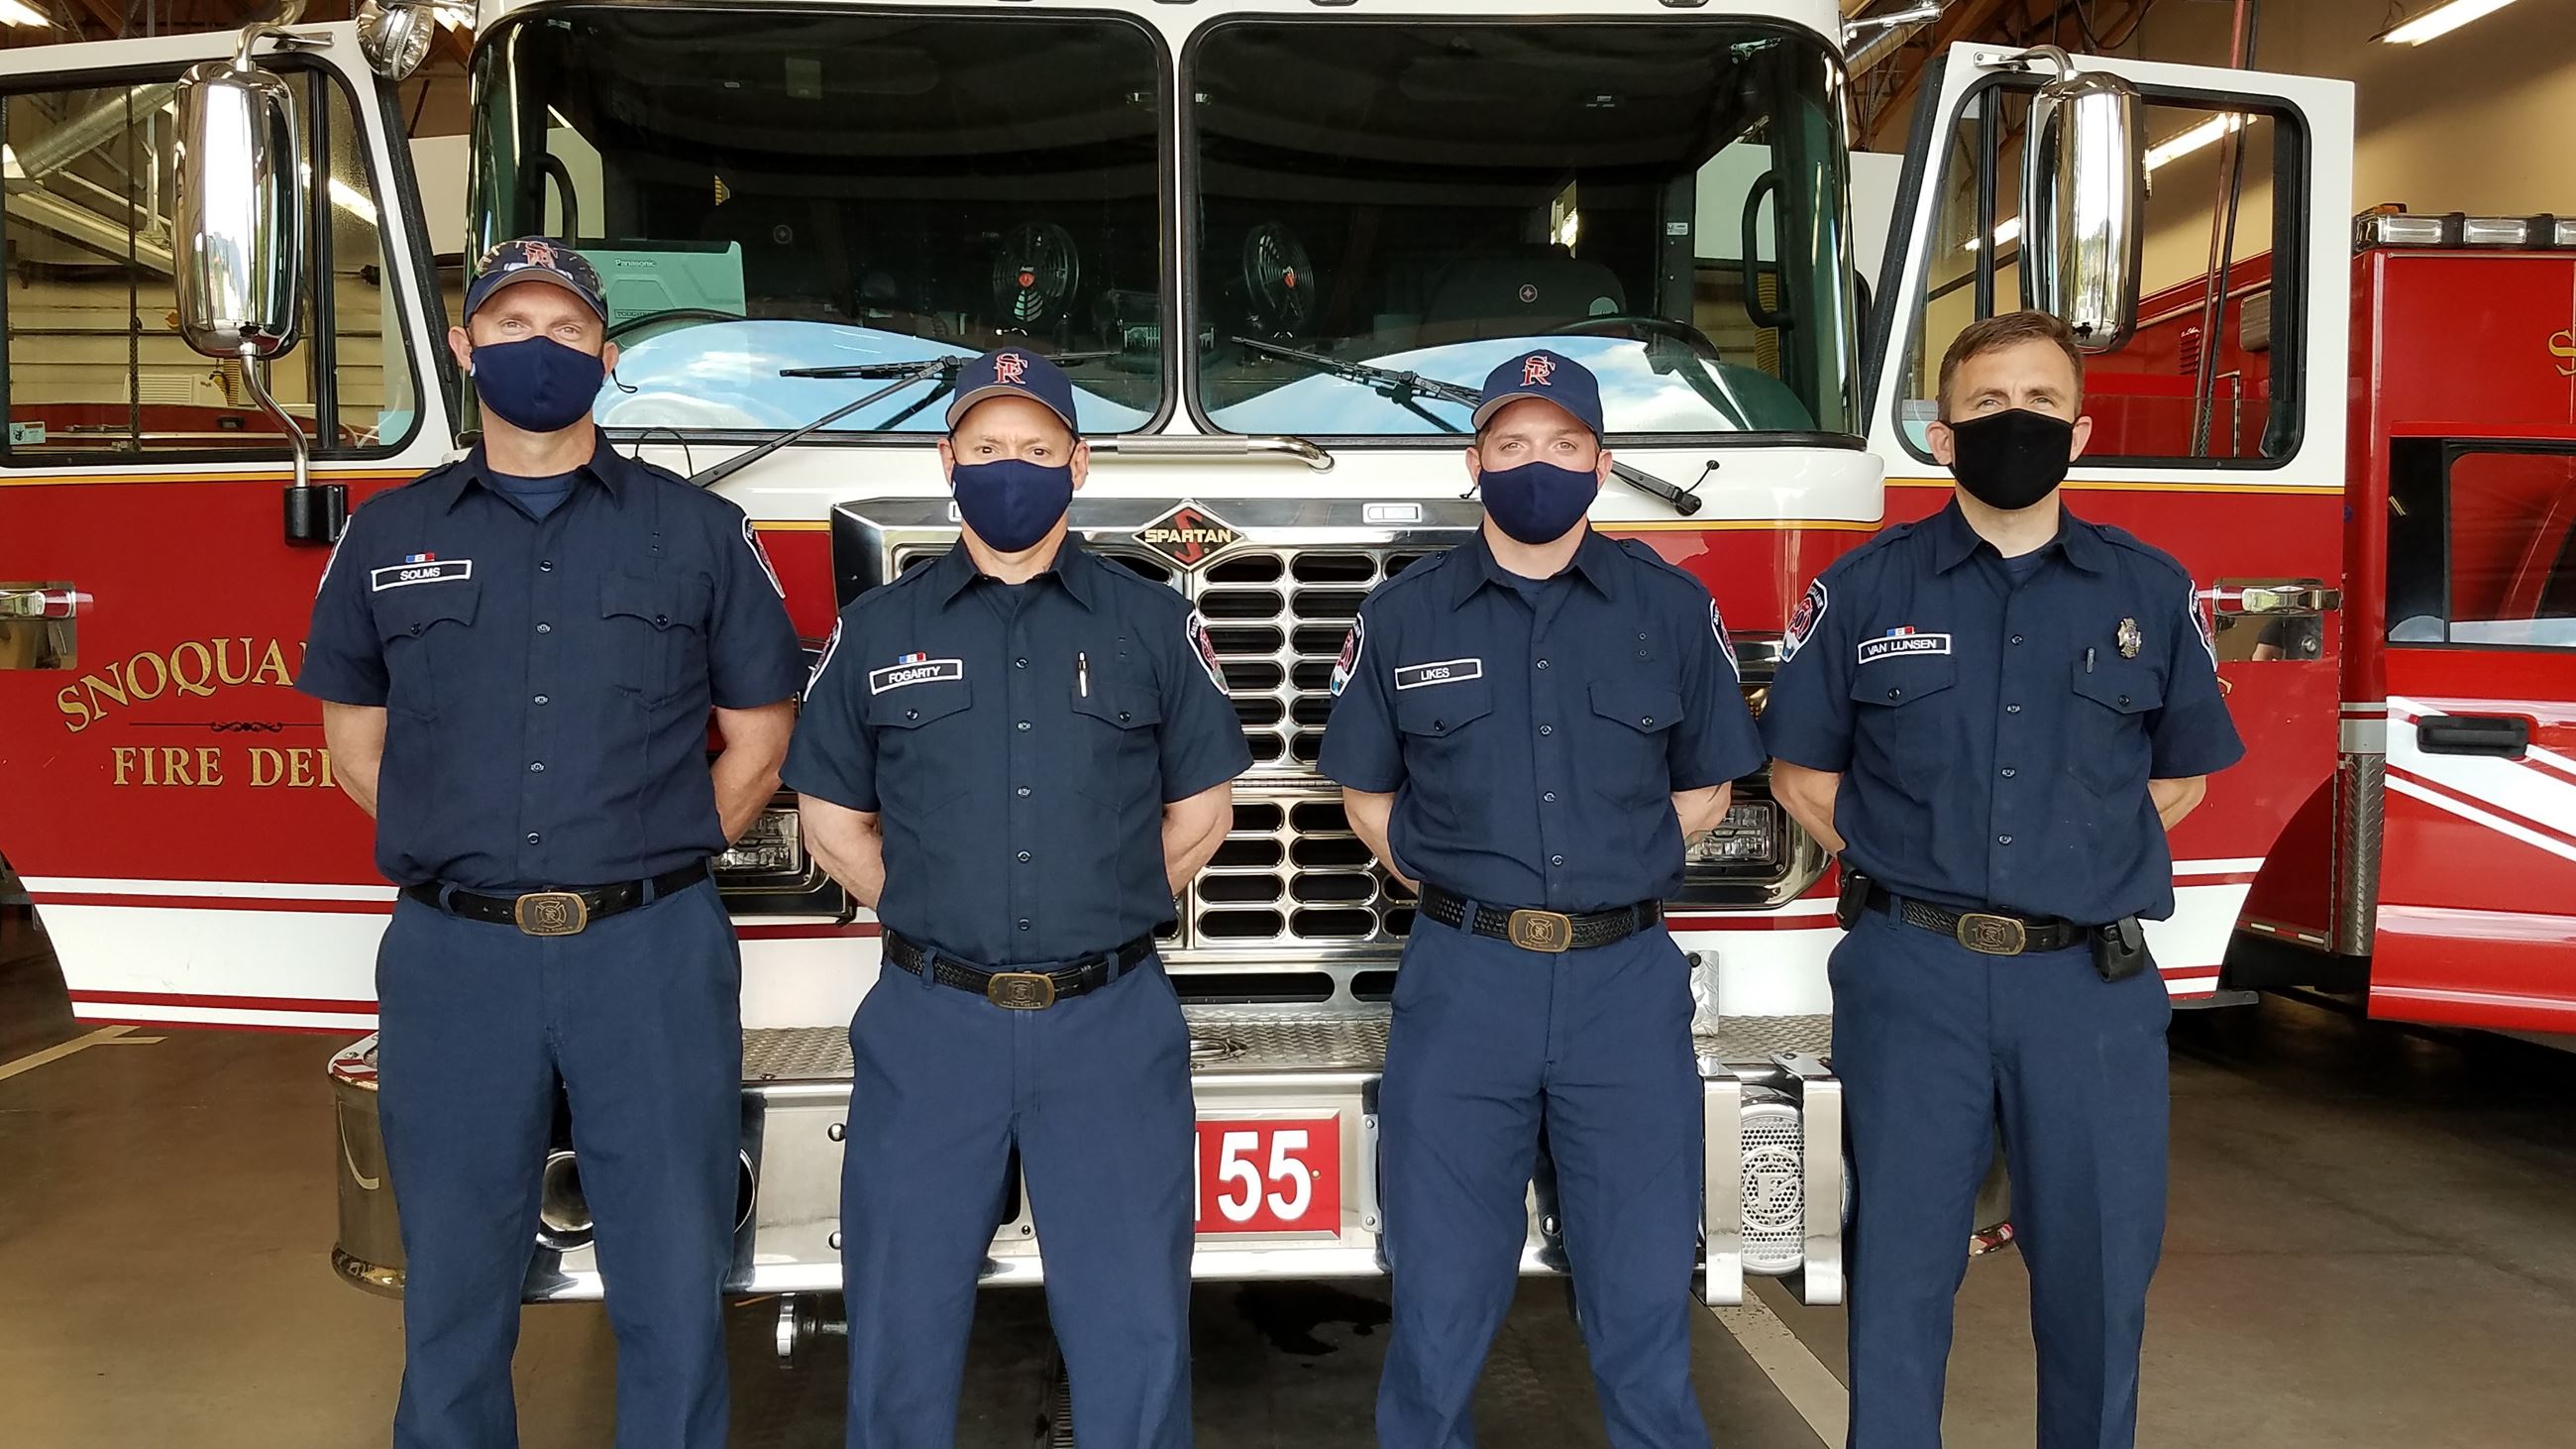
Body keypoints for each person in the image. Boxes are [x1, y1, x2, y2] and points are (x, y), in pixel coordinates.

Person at [298, 238, 806, 1449]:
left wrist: (645, 862)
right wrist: (471, 856)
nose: (539, 346)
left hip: (650, 953)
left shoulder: (697, 534)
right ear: (465, 349)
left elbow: (759, 742)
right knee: (458, 1289)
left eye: (567, 330)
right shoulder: (384, 536)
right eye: (511, 324)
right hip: (455, 962)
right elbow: (352, 746)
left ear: (606, 357)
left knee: (675, 1281)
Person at [1761, 310, 2246, 1449]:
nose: (2013, 422)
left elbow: (2184, 778)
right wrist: (1916, 867)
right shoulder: (1863, 589)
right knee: (1898, 1277)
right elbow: (1795, 773)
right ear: (1939, 434)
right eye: (1986, 405)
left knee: (2092, 1274)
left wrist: (2066, 856)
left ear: (2078, 429)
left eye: (2037, 403)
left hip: (2084, 986)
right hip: (1909, 975)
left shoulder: (2147, 589)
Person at [786, 349, 1251, 1449]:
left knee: (1134, 1332)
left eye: (1036, 450)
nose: (1011, 469)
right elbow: (829, 820)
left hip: (1110, 1023)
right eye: (987, 449)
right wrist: (944, 909)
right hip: (928, 1023)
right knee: (899, 1327)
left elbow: (1202, 811)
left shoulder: (1150, 624)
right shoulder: (877, 630)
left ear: (1078, 465)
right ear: (946, 461)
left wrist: (1105, 903)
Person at [1321, 350, 1765, 1449]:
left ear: (1599, 463)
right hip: (1464, 980)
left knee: (1642, 1288)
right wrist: (1461, 884)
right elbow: (1363, 794)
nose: (1536, 464)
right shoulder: (1405, 615)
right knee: (1438, 1296)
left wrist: (1610, 868)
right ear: (1472, 463)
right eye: (1511, 445)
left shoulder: (1668, 607)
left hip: (1623, 980)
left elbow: (1706, 790)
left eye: (1561, 445)